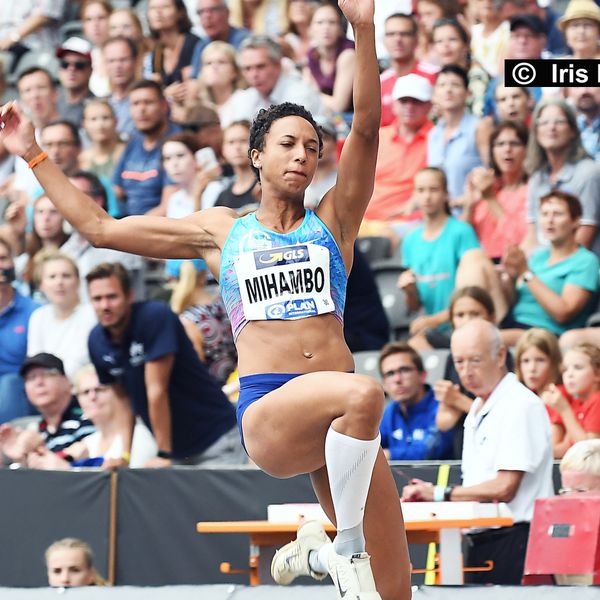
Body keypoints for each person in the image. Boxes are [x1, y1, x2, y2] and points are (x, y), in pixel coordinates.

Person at [0, 1, 412, 597]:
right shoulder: (222, 232)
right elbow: (101, 229)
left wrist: (365, 28)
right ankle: (344, 545)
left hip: (345, 422)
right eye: (288, 144)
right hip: (274, 412)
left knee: (395, 590)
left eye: (313, 147)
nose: (303, 155)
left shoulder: (335, 222)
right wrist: (34, 152)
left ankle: (323, 550)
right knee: (365, 391)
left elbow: (369, 129)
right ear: (255, 156)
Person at [402, 319, 554, 585]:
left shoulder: (520, 405)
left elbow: (506, 487)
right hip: (484, 539)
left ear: (500, 356)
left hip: (518, 542)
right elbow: (479, 484)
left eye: (475, 360)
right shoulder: (478, 407)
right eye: (459, 362)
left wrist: (439, 493)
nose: (466, 371)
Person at [83, 262, 245, 467]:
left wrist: (163, 454)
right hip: (177, 450)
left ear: (129, 296)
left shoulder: (154, 316)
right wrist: (125, 455)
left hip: (216, 438)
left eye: (112, 297)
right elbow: (124, 401)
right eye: (97, 299)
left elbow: (157, 390)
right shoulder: (96, 340)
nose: (104, 305)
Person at [501, 190, 600, 346]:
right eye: (545, 214)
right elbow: (514, 301)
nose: (550, 220)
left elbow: (564, 312)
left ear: (576, 221)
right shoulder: (538, 256)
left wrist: (526, 274)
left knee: (483, 342)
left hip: (545, 334)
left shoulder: (586, 261)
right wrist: (510, 279)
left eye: (557, 214)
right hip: (513, 323)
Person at [29, 363, 157, 469]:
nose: (92, 397)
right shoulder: (88, 442)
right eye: (85, 392)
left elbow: (132, 487)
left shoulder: (139, 436)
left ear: (119, 395)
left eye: (100, 389)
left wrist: (67, 469)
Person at [523, 98, 600, 256]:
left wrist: (540, 272)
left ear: (573, 130)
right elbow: (532, 237)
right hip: (542, 264)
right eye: (544, 122)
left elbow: (583, 239)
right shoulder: (537, 178)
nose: (551, 127)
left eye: (559, 121)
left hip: (577, 270)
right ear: (536, 132)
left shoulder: (588, 172)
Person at [0, 353, 95, 464]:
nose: (38, 382)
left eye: (48, 374)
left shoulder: (89, 415)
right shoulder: (35, 430)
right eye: (31, 377)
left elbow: (91, 470)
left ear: (67, 381)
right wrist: (21, 459)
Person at [219, 34, 326, 127]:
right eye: (247, 68)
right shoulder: (243, 98)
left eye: (260, 66)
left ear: (277, 65)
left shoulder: (300, 95)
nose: (254, 75)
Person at [461, 120, 529, 261]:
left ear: (527, 150)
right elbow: (461, 239)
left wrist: (491, 199)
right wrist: (470, 206)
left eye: (514, 143)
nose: (507, 149)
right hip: (480, 263)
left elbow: (521, 239)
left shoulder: (531, 190)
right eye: (500, 144)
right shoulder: (488, 187)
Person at [27, 251, 97, 382]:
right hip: (44, 387)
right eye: (52, 277)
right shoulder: (38, 316)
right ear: (41, 285)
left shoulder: (91, 313)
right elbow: (34, 361)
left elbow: (80, 361)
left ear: (78, 281)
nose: (59, 282)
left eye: (66, 276)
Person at [112, 80, 180, 215]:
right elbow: (116, 190)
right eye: (135, 104)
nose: (141, 110)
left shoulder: (177, 142)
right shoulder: (133, 141)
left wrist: (129, 230)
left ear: (164, 106)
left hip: (159, 228)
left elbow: (169, 206)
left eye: (148, 102)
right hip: (127, 224)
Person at [379, 342, 453, 461]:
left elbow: (429, 451)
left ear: (422, 375)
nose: (397, 379)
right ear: (384, 385)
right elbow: (372, 447)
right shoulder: (391, 411)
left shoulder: (440, 405)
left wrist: (388, 455)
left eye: (404, 370)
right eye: (390, 374)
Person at [170, 259, 237, 386]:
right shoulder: (225, 305)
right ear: (204, 275)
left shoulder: (187, 321)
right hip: (238, 386)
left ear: (171, 279)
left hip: (215, 396)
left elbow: (195, 375)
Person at [427, 64, 483, 202]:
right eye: (442, 85)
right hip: (438, 217)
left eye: (455, 85)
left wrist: (458, 202)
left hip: (471, 212)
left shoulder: (479, 127)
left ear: (468, 93)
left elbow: (491, 177)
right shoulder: (434, 134)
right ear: (434, 94)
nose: (448, 90)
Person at [0, 236, 38, 423]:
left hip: (22, 393)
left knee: (9, 384)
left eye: (2, 258)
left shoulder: (35, 312)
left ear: (13, 262)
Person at [380, 13, 438, 127]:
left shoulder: (435, 75)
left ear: (416, 39)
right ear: (384, 40)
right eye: (391, 34)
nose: (397, 39)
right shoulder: (380, 82)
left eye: (404, 34)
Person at [542, 343, 600, 458]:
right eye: (565, 369)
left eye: (578, 367)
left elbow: (590, 452)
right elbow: (566, 448)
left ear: (598, 374)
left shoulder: (597, 401)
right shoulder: (577, 403)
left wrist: (564, 410)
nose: (569, 374)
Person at [304, 3, 355, 114]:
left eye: (332, 22)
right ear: (310, 28)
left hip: (352, 117)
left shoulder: (348, 53)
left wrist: (313, 94)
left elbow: (339, 105)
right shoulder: (311, 54)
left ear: (340, 28)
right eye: (320, 22)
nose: (326, 27)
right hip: (329, 117)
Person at [144, 0, 200, 87]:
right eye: (153, 8)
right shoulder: (157, 51)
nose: (158, 12)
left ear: (180, 12)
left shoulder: (195, 44)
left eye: (165, 7)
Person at [190, 0, 250, 77]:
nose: (207, 16)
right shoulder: (202, 45)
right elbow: (194, 80)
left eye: (213, 10)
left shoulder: (245, 42)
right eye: (201, 12)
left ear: (227, 13)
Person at [214, 120, 258, 211]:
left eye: (243, 141)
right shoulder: (222, 197)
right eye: (231, 142)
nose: (237, 147)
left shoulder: (266, 186)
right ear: (223, 150)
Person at [102, 36, 139, 139]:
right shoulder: (101, 104)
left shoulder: (148, 99)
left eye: (123, 60)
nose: (117, 66)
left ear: (135, 61)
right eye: (111, 61)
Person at [55, 37, 96, 127]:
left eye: (79, 65)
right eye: (65, 64)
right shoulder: (51, 103)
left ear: (90, 70)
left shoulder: (97, 108)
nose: (71, 69)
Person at [515, 327, 562, 396]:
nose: (532, 368)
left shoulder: (561, 396)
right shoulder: (520, 395)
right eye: (526, 361)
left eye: (540, 360)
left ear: (554, 362)